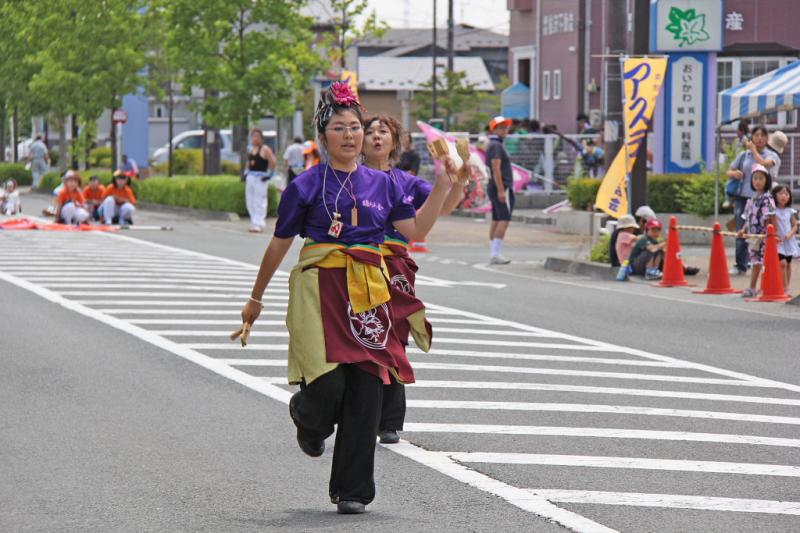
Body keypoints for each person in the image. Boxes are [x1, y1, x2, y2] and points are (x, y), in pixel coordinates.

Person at [240, 82, 451, 515]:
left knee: (367, 387)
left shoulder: (384, 183)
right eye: (339, 128)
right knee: (328, 383)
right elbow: (279, 244)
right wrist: (255, 299)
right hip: (319, 289)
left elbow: (416, 232)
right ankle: (308, 416)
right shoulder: (305, 185)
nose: (351, 135)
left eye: (355, 127)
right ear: (323, 136)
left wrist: (444, 184)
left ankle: (353, 490)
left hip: (369, 290)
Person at [361, 113, 463, 445]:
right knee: (360, 335)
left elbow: (442, 208)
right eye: (370, 131)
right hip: (357, 263)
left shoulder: (405, 182)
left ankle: (389, 420)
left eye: (384, 131)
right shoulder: (349, 178)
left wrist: (458, 181)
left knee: (394, 337)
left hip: (395, 268)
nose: (377, 136)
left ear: (396, 142)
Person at [727, 125, 780, 276]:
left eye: (763, 135)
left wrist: (753, 150)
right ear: (752, 137)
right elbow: (729, 171)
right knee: (741, 230)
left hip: (763, 200)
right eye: (756, 135)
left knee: (763, 231)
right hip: (743, 198)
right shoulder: (744, 155)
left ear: (767, 138)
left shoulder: (771, 155)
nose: (759, 138)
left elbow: (764, 164)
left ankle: (762, 263)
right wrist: (735, 173)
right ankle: (741, 265)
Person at [738, 164, 776, 298]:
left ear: (767, 180)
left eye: (761, 178)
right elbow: (748, 218)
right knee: (755, 261)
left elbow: (772, 217)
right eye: (755, 178)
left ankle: (760, 287)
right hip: (753, 237)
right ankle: (755, 288)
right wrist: (743, 230)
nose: (758, 181)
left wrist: (773, 234)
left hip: (764, 237)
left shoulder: (768, 199)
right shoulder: (751, 200)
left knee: (762, 262)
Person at [486, 115, 515, 264]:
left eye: (506, 127)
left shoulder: (493, 144)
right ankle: (495, 254)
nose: (505, 130)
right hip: (501, 186)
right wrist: (501, 190)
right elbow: (496, 168)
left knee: (496, 219)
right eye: (501, 127)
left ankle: (493, 252)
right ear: (494, 129)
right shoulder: (496, 146)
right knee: (504, 219)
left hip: (493, 186)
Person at [244, 128, 277, 233]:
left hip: (260, 177)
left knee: (259, 200)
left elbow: (273, 161)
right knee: (250, 200)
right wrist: (245, 172)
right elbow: (248, 161)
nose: (255, 139)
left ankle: (259, 223)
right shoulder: (250, 149)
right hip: (251, 176)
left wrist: (270, 174)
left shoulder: (265, 149)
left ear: (261, 139)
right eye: (253, 136)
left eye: (257, 137)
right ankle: (254, 221)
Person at [772, 184, 798, 291]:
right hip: (778, 242)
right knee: (782, 263)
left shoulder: (790, 211)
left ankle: (786, 286)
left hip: (789, 241)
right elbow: (770, 225)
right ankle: (784, 287)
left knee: (788, 263)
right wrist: (775, 235)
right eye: (781, 193)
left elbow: (795, 226)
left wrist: (790, 233)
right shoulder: (773, 211)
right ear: (775, 195)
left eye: (786, 194)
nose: (784, 196)